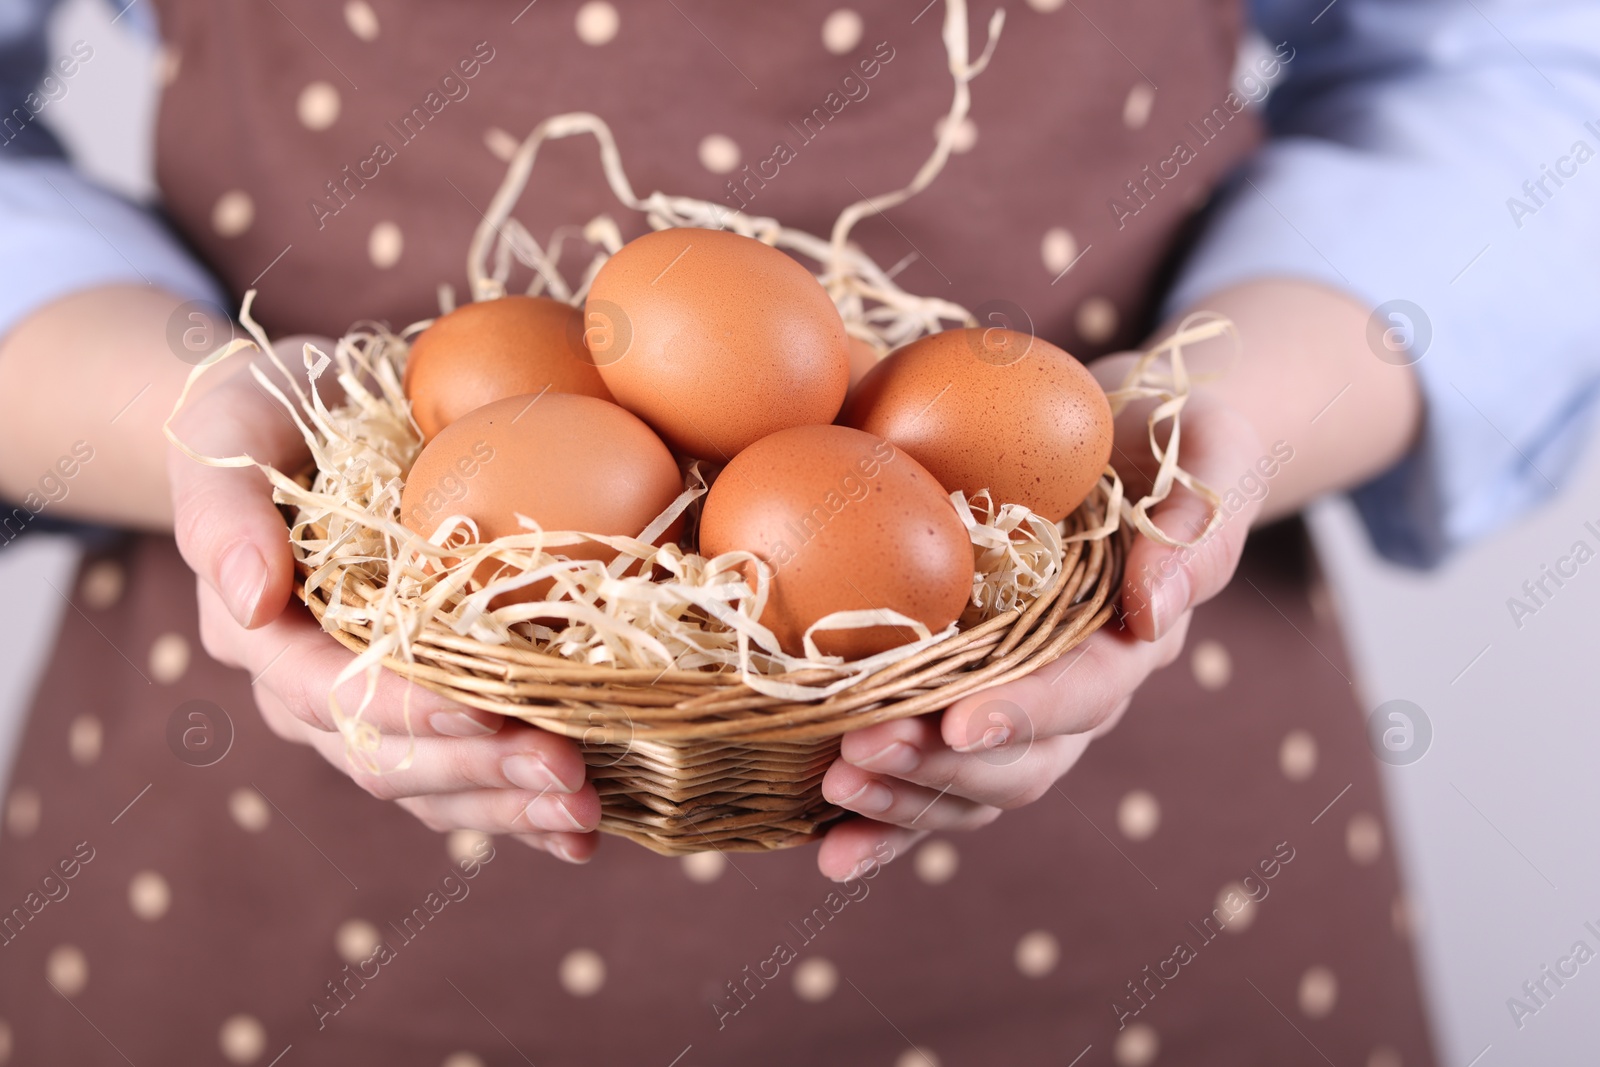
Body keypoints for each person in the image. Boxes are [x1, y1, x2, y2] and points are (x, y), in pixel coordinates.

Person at [0, 0, 1595, 1064]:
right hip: (267, 843)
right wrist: (211, 422)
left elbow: (1515, 71)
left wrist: (1211, 418)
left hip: (1138, 805)